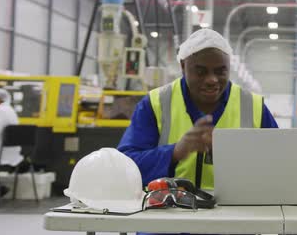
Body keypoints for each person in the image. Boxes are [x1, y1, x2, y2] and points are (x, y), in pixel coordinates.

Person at [119, 28, 279, 191]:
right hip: (170, 210)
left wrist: (232, 156)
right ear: (183, 66)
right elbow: (125, 166)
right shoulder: (155, 104)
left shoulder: (253, 107)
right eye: (201, 72)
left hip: (236, 209)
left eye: (220, 71)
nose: (212, 80)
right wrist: (174, 152)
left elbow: (278, 164)